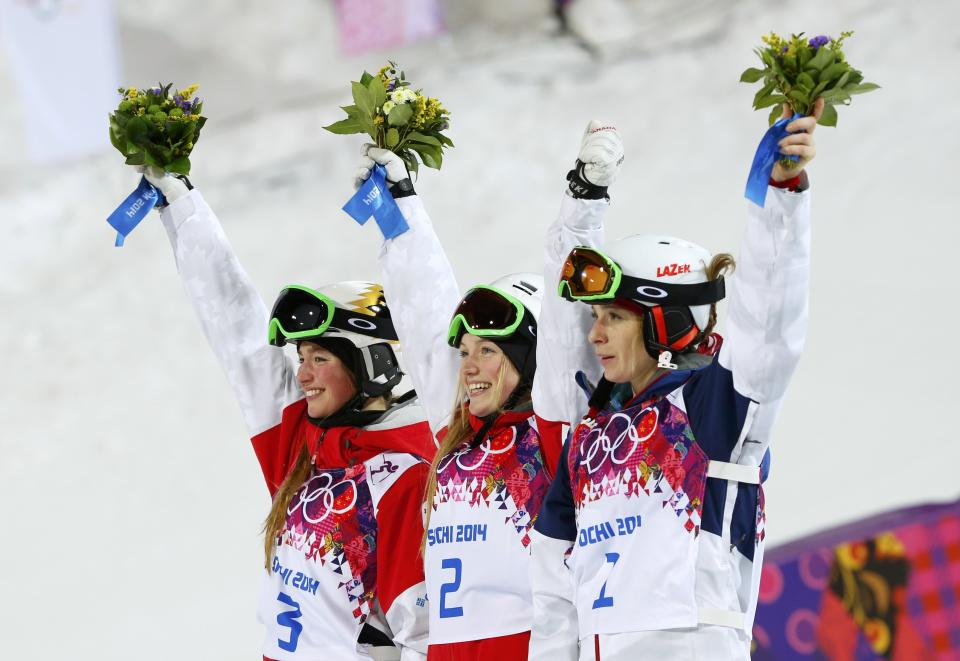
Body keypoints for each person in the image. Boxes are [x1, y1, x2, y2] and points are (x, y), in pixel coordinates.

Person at [528, 100, 823, 660]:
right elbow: (552, 588)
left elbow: (769, 324)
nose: (595, 336)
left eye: (614, 318)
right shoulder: (590, 438)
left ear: (663, 319)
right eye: (596, 318)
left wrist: (781, 197)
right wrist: (581, 201)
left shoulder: (714, 409)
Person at [132, 167, 435, 660]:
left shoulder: (406, 476)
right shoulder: (304, 446)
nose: (304, 375)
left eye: (321, 358)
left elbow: (422, 635)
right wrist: (183, 208)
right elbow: (241, 341)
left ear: (373, 364)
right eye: (301, 358)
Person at [350, 124, 623, 659]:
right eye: (467, 350)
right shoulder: (455, 438)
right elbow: (425, 312)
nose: (468, 367)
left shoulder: (552, 437)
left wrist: (584, 204)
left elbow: (570, 331)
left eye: (490, 351)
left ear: (529, 361)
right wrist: (397, 205)